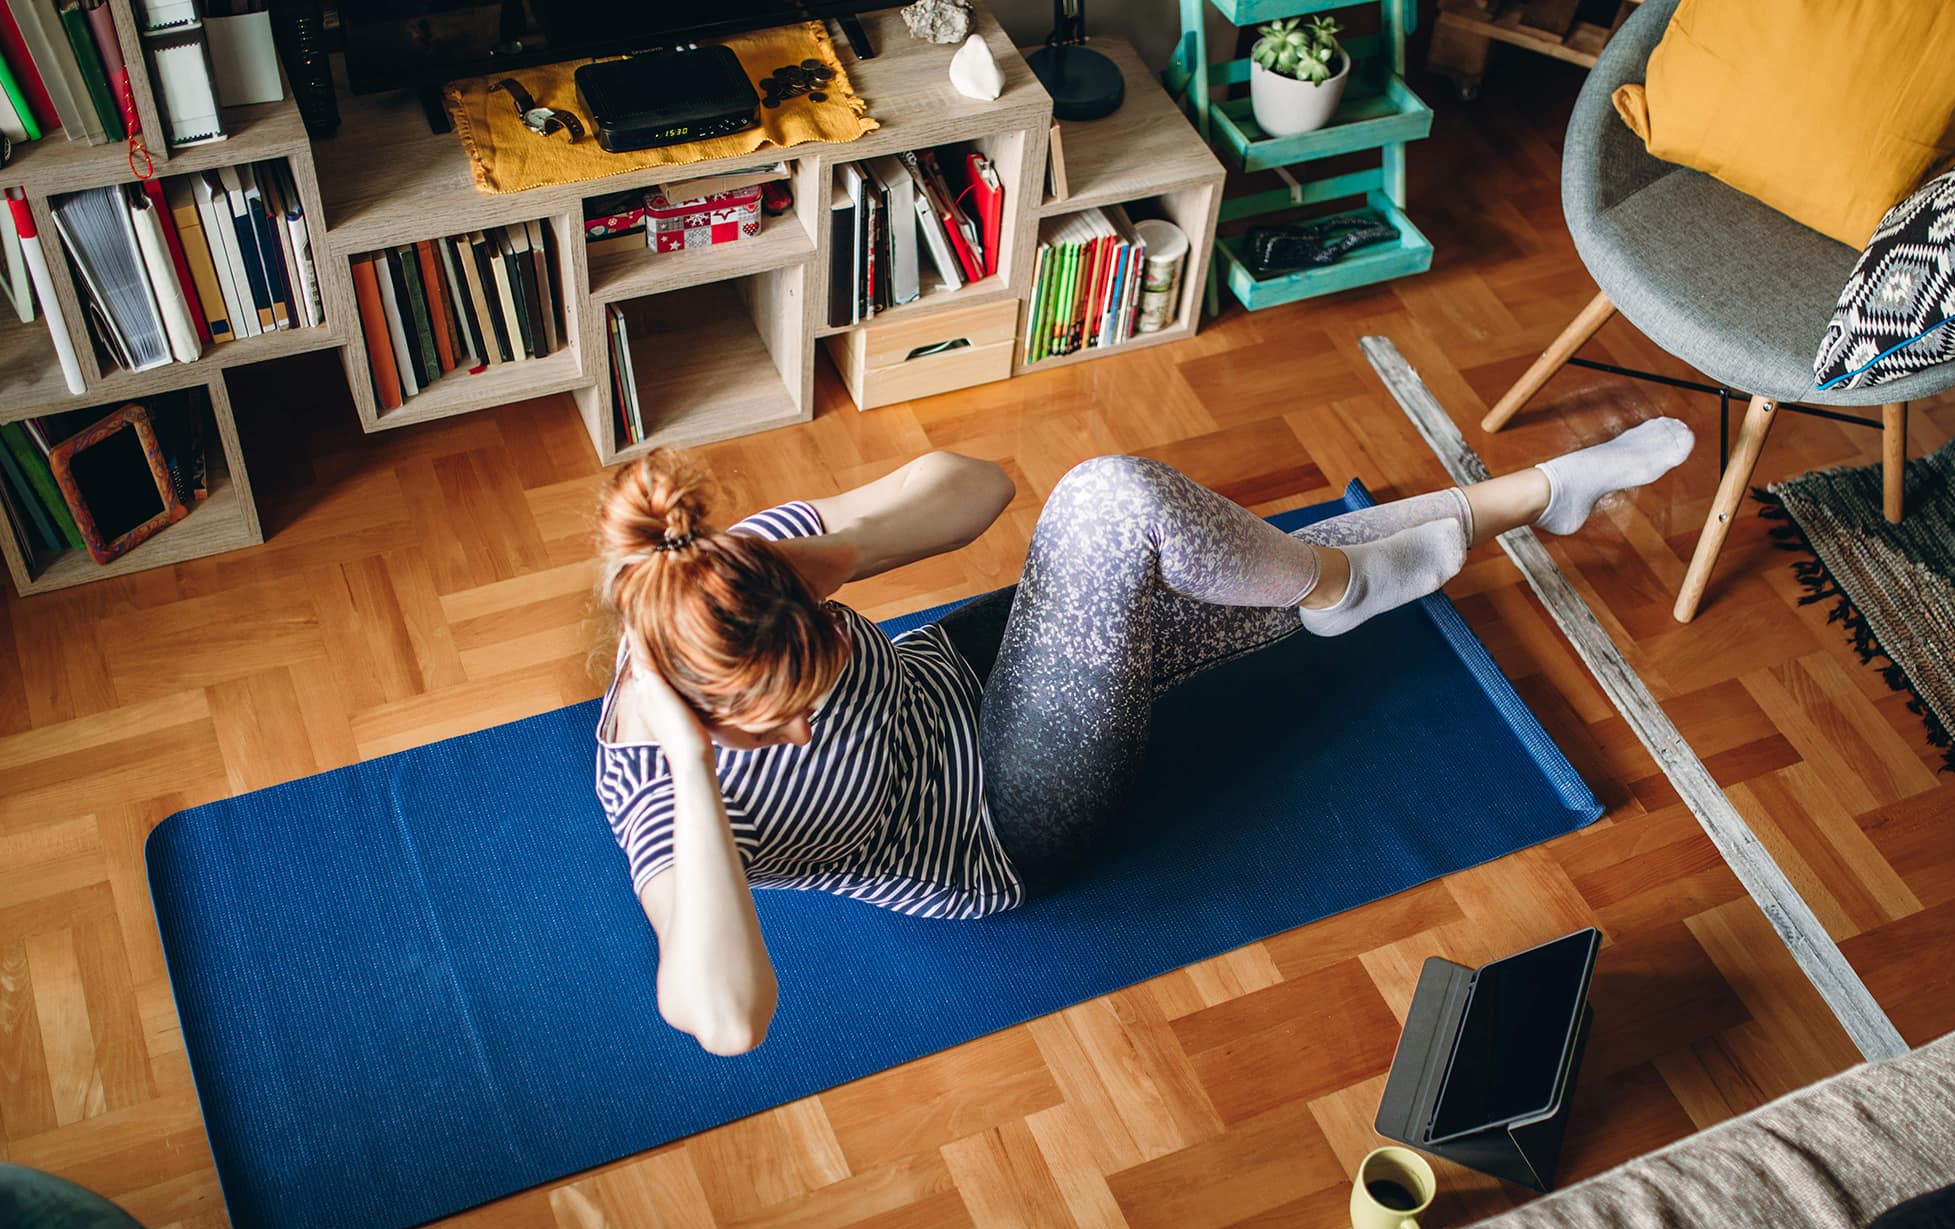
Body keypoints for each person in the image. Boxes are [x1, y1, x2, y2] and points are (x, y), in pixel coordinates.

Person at [592, 418, 1694, 1054]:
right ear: (710, 719)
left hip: (968, 676)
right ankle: (1378, 562)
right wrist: (692, 766)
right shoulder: (658, 794)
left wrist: (846, 544)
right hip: (1001, 817)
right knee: (1130, 512)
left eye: (829, 651)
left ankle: (1524, 500)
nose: (816, 707)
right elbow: (727, 1020)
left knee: (1173, 541)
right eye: (790, 713)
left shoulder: (731, 585)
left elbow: (985, 489)